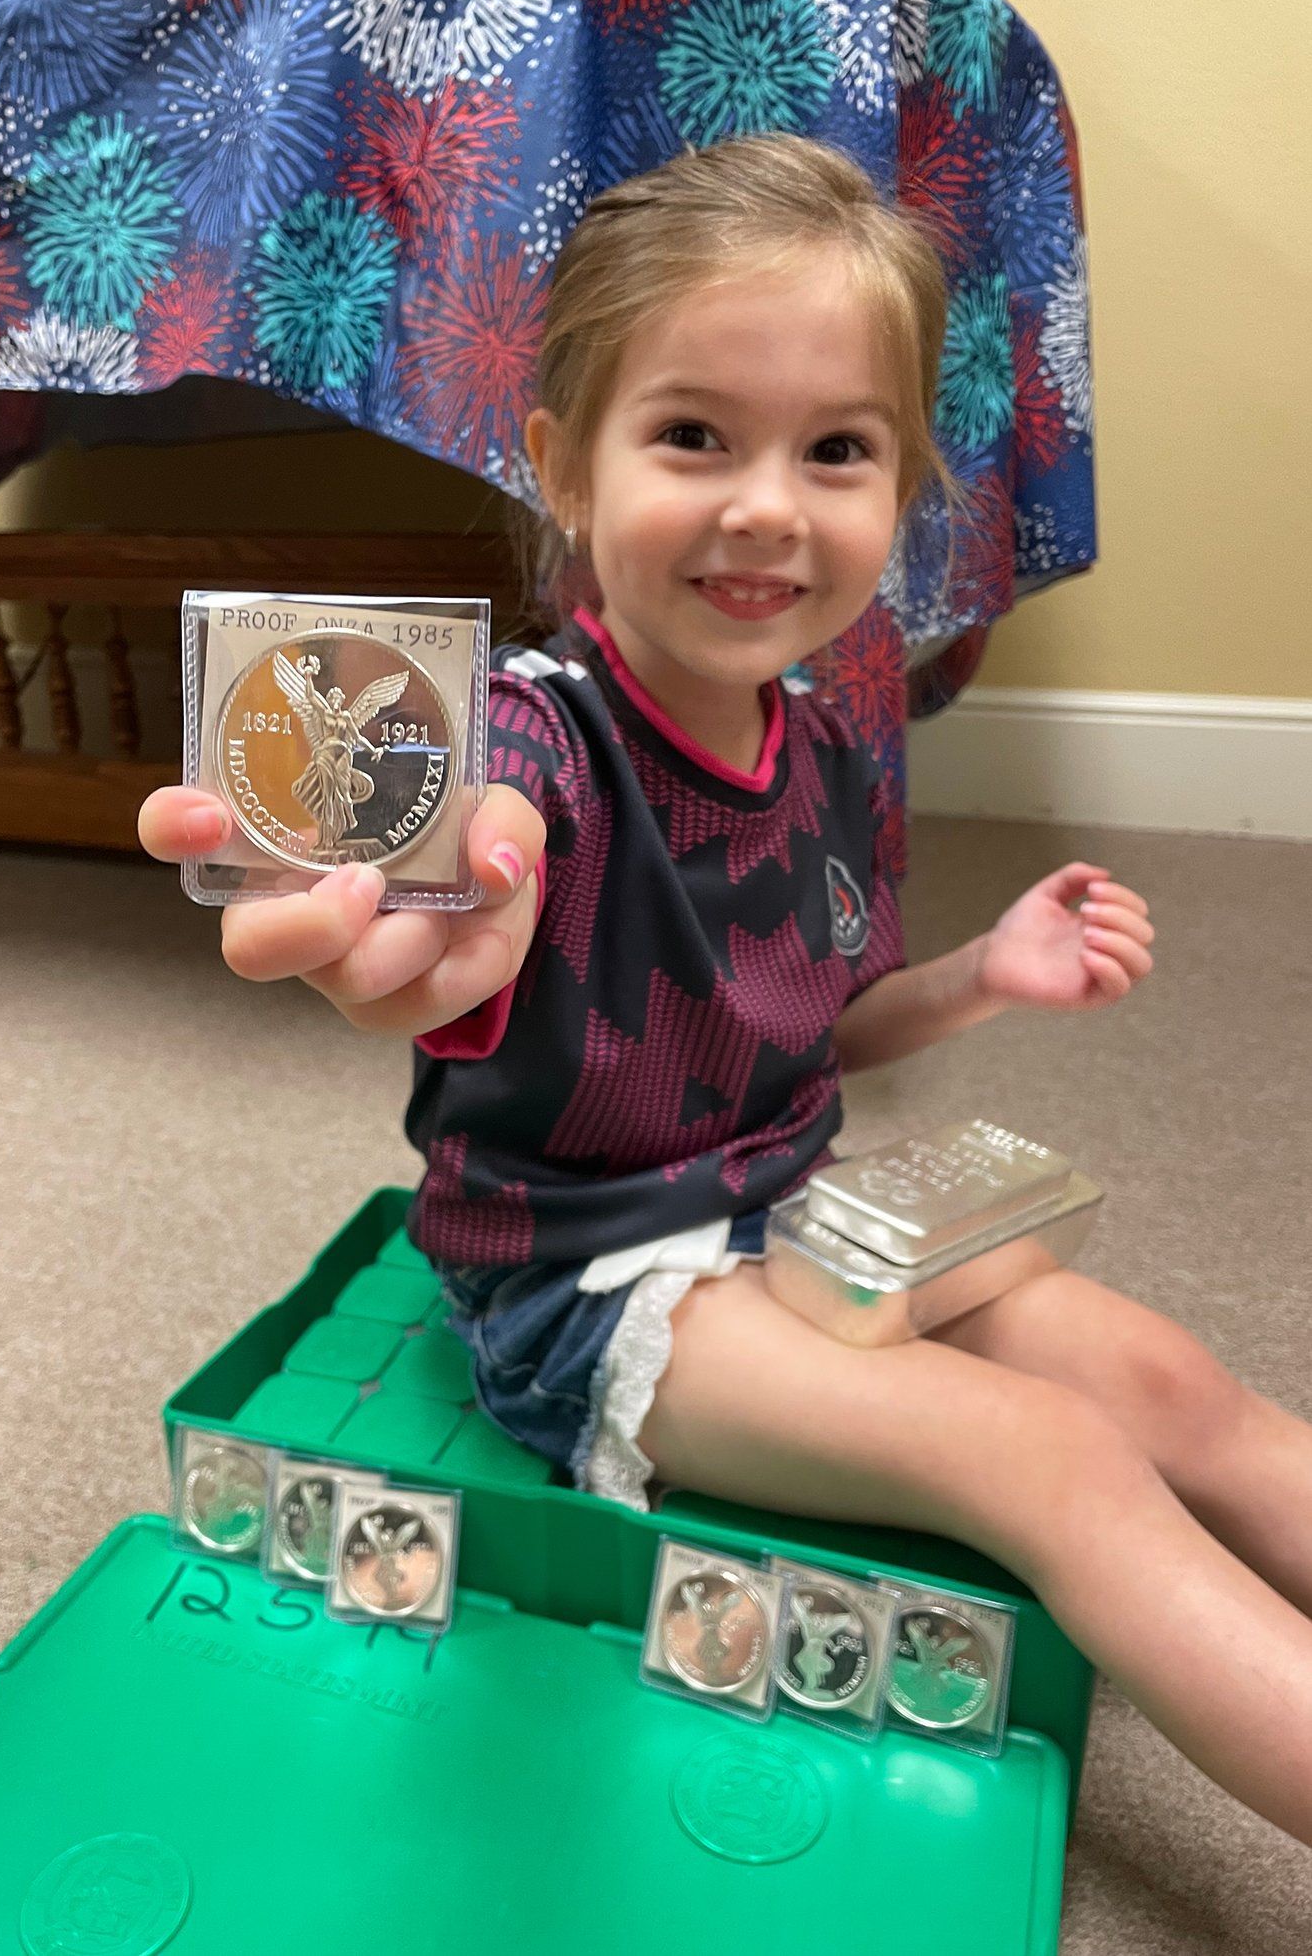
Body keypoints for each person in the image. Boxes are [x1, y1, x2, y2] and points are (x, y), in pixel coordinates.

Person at [141, 133, 1312, 1845]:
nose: (768, 503)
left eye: (835, 451)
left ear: (896, 498)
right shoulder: (540, 736)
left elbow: (816, 1028)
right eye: (694, 435)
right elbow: (476, 862)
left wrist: (982, 975)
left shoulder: (825, 743)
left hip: (796, 1211)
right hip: (590, 1284)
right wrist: (436, 924)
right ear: (562, 465)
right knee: (1047, 1464)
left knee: (1162, 1386)